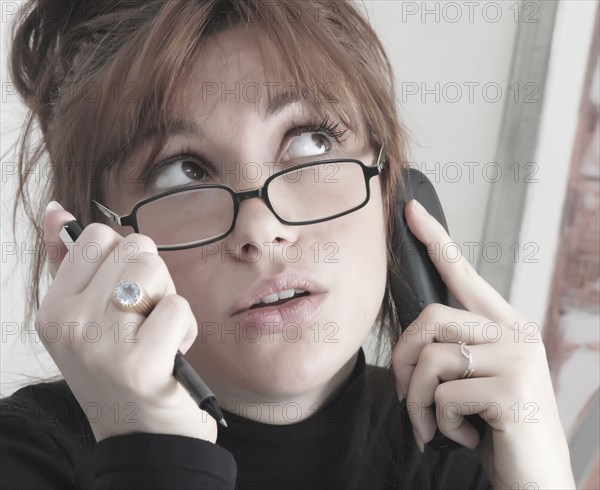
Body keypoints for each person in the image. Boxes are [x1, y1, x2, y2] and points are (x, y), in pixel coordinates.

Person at [1, 1, 575, 488]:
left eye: (310, 141)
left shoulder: (468, 448)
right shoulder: (23, 458)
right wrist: (152, 453)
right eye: (183, 171)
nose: (260, 230)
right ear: (99, 244)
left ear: (394, 192)